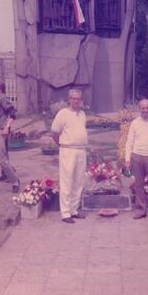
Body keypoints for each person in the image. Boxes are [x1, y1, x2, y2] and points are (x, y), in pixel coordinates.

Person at [51, 89, 87, 224]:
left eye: (78, 99)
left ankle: (74, 210)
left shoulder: (82, 114)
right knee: (67, 181)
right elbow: (54, 132)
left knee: (78, 181)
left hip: (81, 150)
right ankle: (65, 213)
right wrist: (61, 145)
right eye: (73, 98)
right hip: (67, 150)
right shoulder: (63, 114)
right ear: (69, 99)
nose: (76, 101)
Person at [0, 82, 11, 182]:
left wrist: (7, 128)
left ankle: (9, 174)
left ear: (0, 90)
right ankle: (5, 172)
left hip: (3, 130)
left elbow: (11, 114)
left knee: (3, 153)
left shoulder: (4, 100)